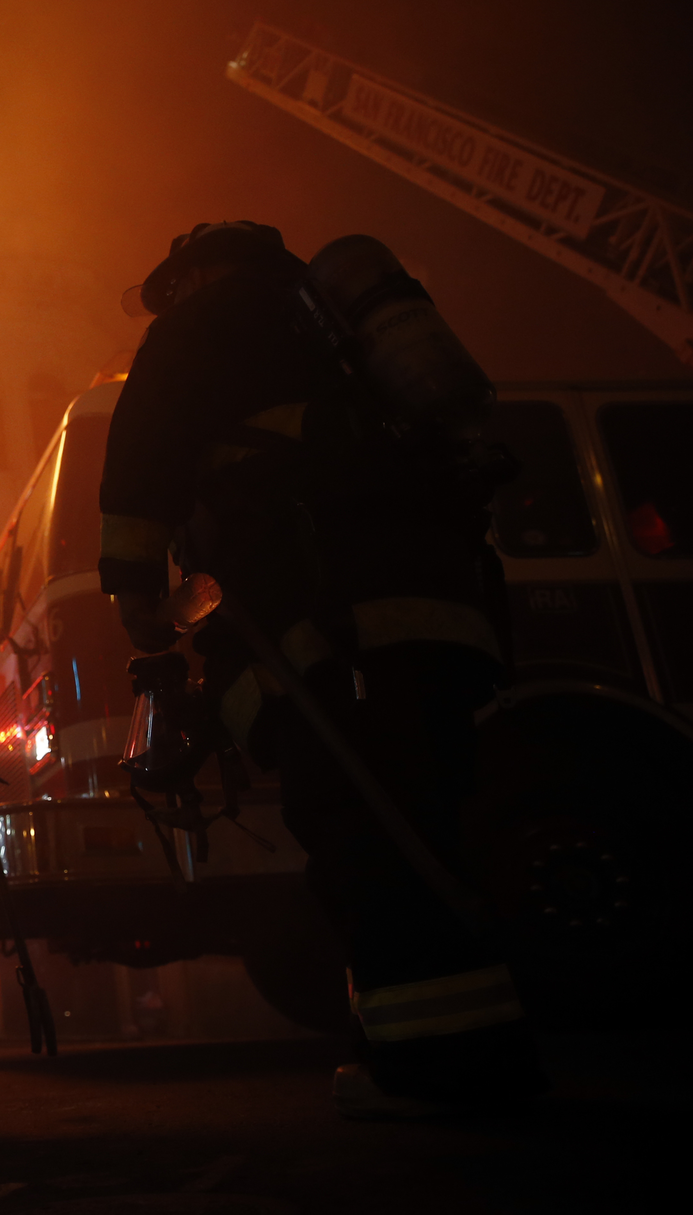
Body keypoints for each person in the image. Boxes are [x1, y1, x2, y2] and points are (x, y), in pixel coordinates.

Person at [98, 221, 544, 1117]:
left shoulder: (207, 322)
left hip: (334, 632)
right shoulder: (335, 332)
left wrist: (136, 591)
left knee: (364, 843)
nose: (172, 304)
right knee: (435, 827)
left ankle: (432, 1079)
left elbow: (143, 455)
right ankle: (475, 1049)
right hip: (444, 621)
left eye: (174, 288)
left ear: (196, 275)